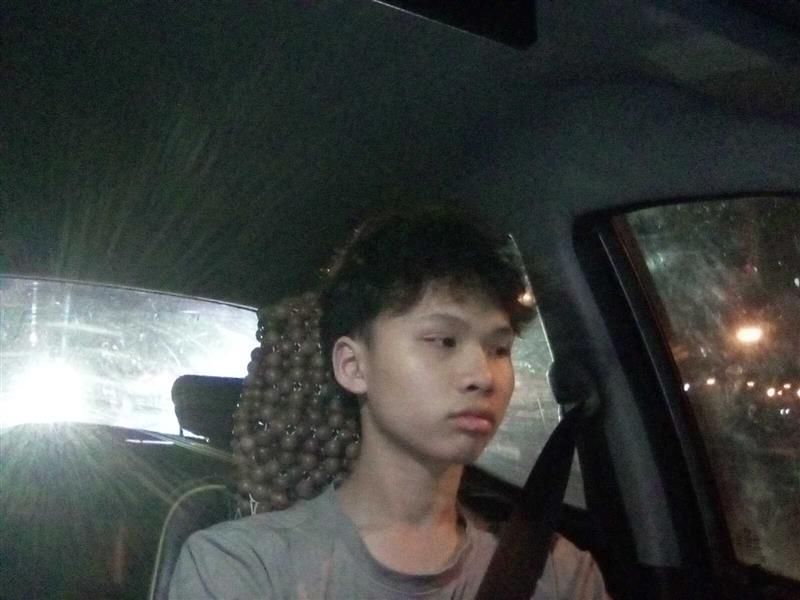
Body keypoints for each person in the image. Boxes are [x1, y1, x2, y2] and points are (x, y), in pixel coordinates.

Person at [169, 207, 609, 599]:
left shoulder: (557, 573)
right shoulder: (242, 568)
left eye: (499, 349)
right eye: (443, 341)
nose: (483, 376)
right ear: (353, 366)